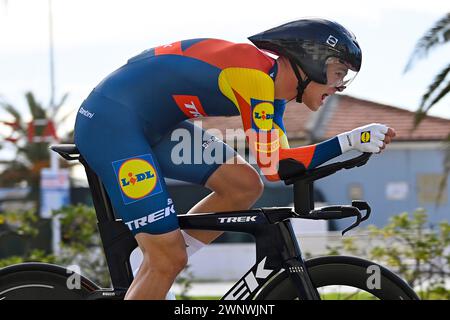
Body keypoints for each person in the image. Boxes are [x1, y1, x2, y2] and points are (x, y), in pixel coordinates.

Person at [74, 18, 396, 299]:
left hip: (154, 126)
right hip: (110, 124)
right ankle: (159, 262)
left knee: (243, 186)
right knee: (167, 260)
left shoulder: (272, 95)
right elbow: (277, 165)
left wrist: (353, 145)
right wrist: (350, 140)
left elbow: (277, 166)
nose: (339, 86)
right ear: (311, 60)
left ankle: (154, 265)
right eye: (338, 73)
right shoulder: (253, 77)